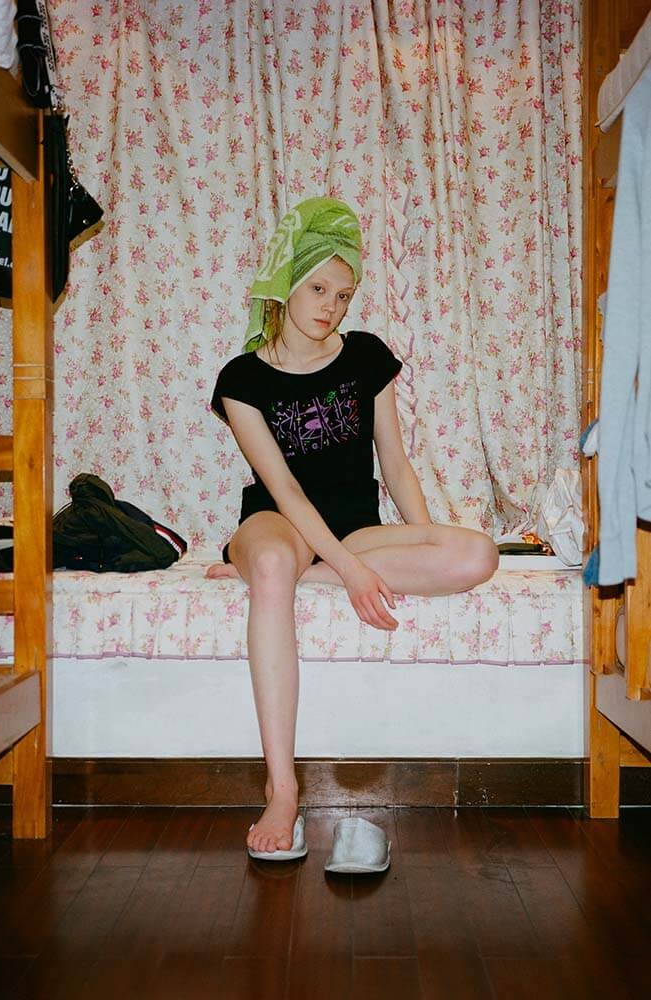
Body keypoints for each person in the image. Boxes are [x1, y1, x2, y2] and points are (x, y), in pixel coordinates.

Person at [208, 196, 498, 857]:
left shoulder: (366, 355)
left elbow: (394, 461)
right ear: (285, 283)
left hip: (353, 528)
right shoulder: (242, 379)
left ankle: (306, 575)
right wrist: (349, 570)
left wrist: (422, 538)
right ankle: (283, 788)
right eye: (318, 289)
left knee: (477, 554)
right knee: (275, 564)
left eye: (343, 295)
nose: (331, 307)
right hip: (276, 523)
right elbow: (284, 489)